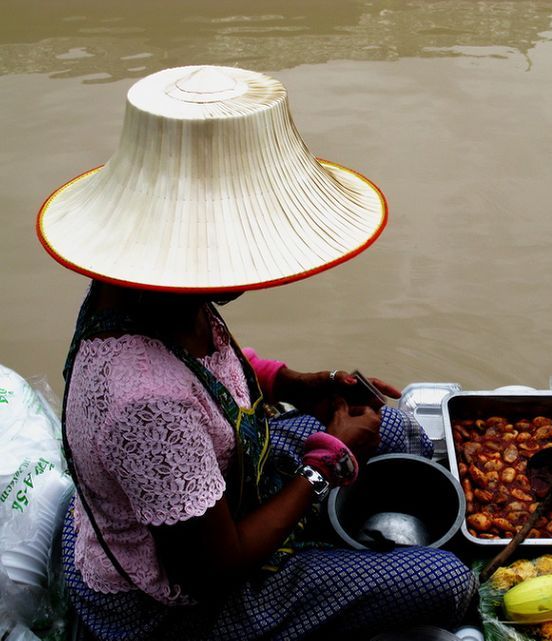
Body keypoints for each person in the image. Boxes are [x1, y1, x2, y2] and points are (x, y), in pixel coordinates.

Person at [37, 65, 477, 641]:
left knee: (397, 435)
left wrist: (294, 384)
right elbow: (213, 571)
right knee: (443, 583)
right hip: (178, 605)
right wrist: (328, 466)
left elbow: (205, 368)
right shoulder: (145, 402)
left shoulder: (152, 292)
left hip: (212, 486)